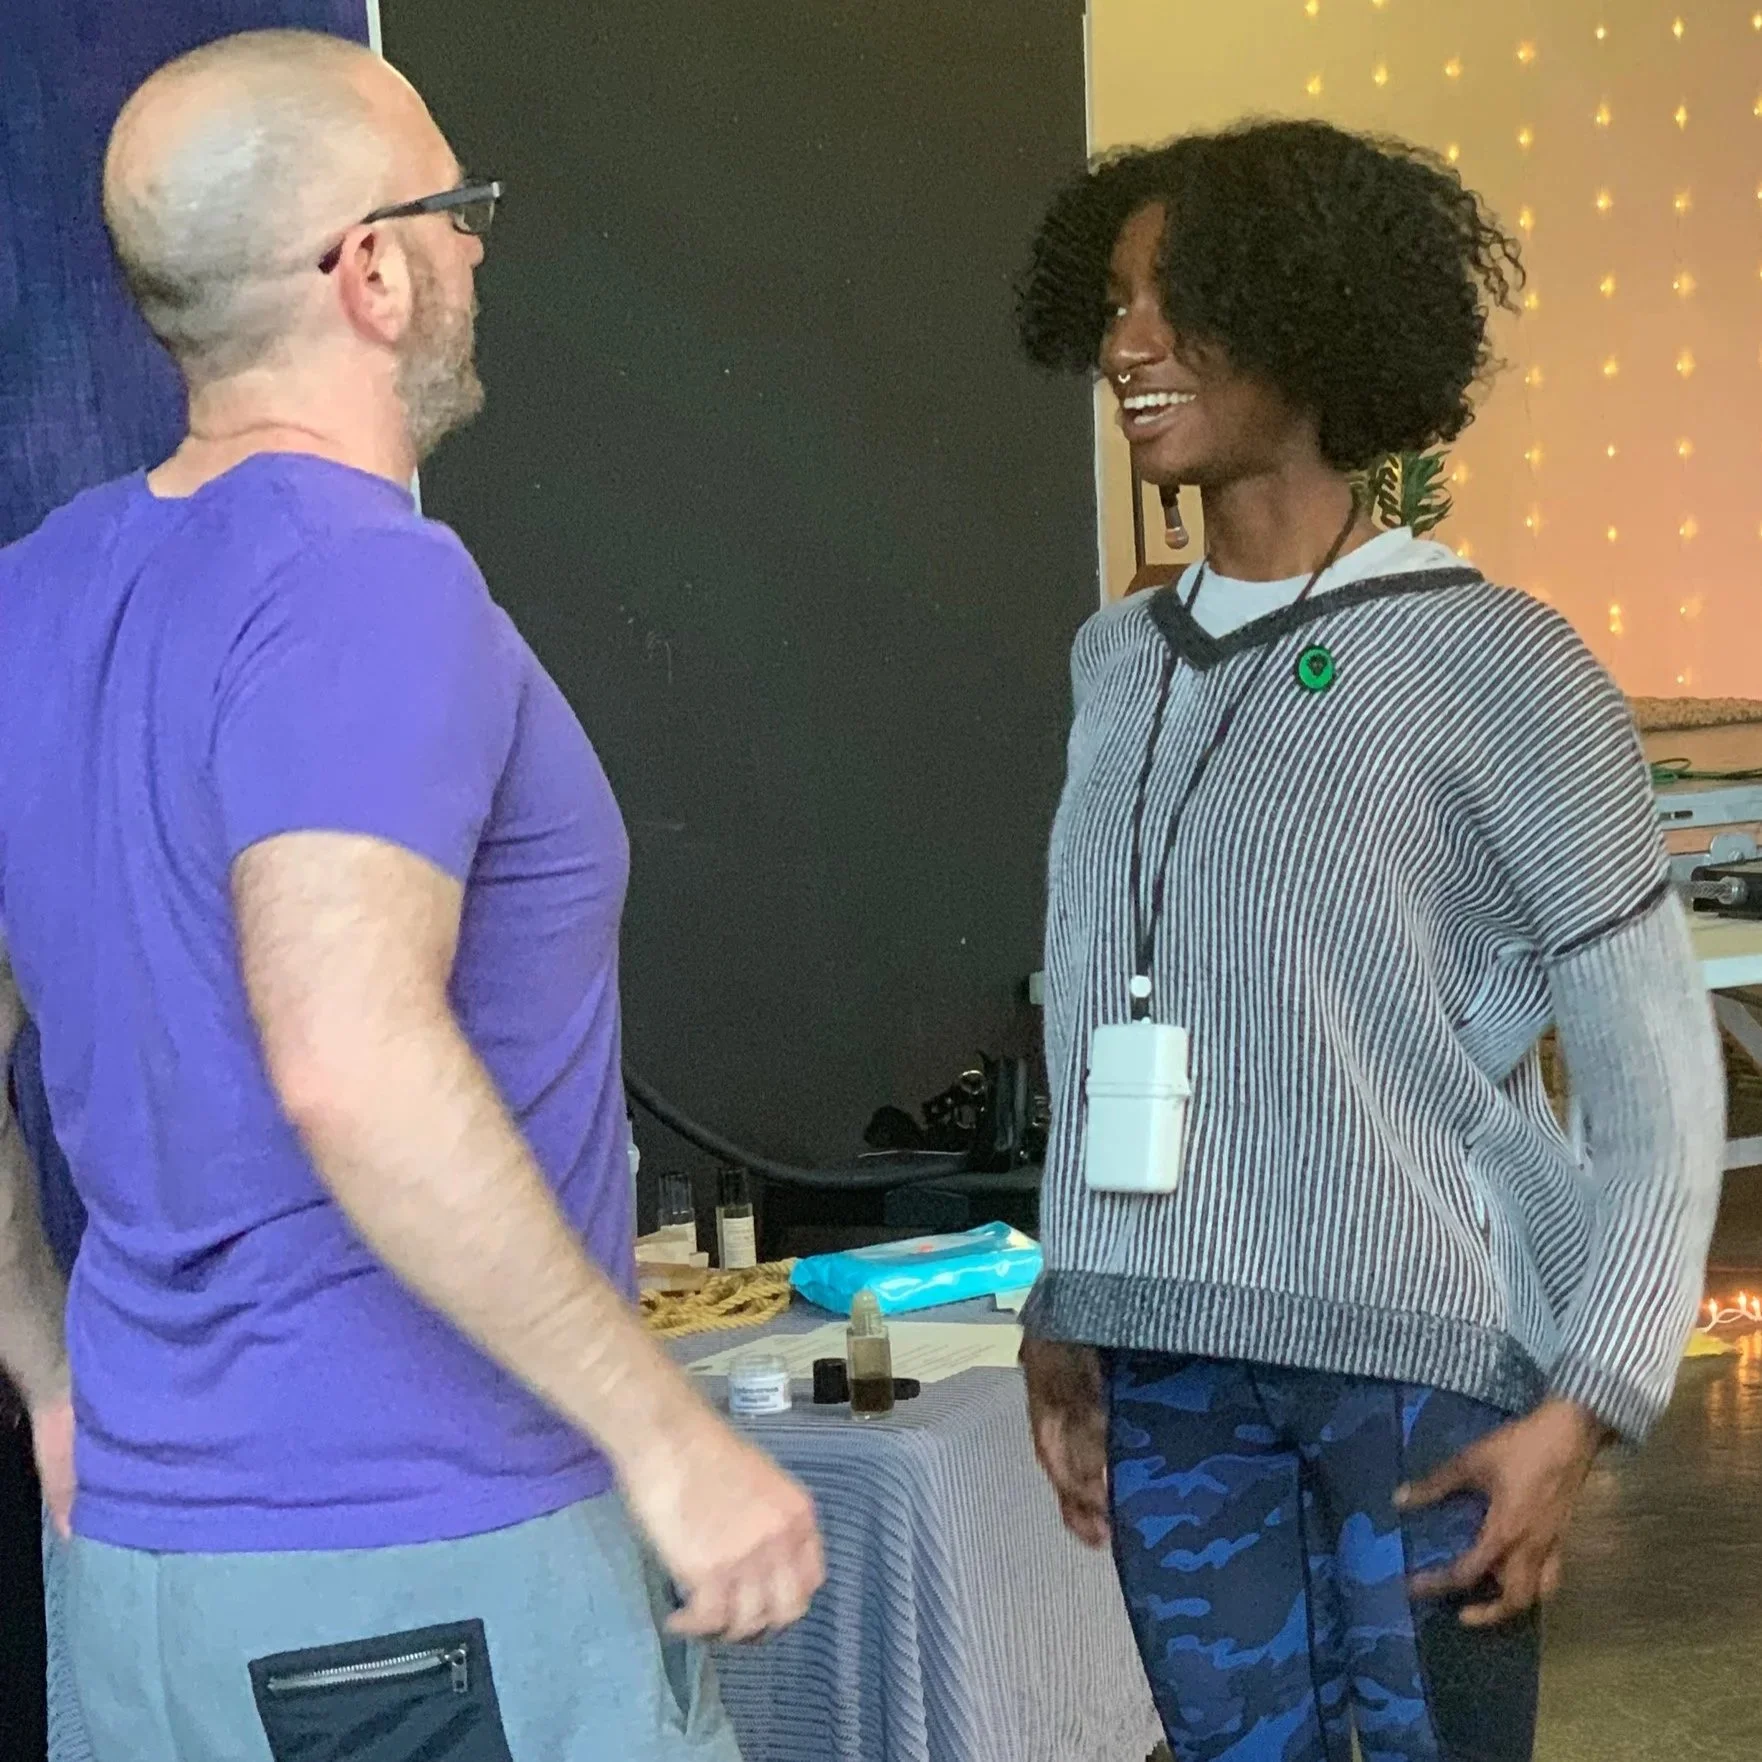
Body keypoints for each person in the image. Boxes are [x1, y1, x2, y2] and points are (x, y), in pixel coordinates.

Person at [0, 29, 822, 1762]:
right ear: (370, 266)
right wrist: (666, 1438)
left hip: (149, 1581)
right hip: (425, 1570)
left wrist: (54, 1380)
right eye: (458, 210)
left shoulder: (36, 595)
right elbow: (349, 1055)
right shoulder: (372, 581)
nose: (472, 250)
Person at [1014, 120, 1723, 1762]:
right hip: (1170, 1359)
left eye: (1180, 301)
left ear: (1315, 319)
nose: (1127, 344)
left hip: (1417, 1376)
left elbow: (1656, 1080)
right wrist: (1071, 1295)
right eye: (1113, 303)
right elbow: (1100, 996)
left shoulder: (1497, 665)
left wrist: (1591, 1395)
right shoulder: (1114, 664)